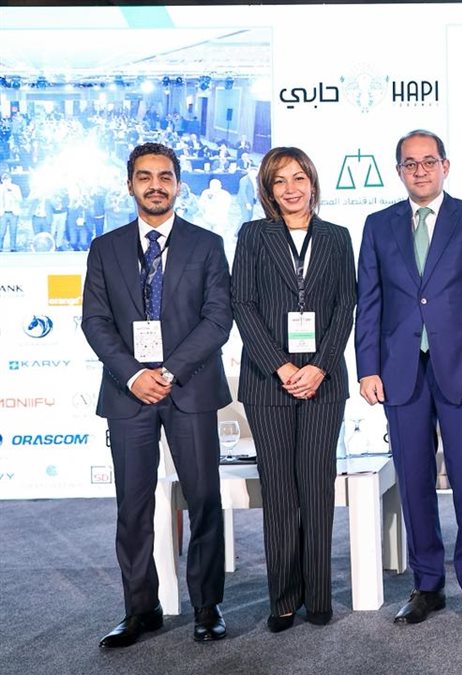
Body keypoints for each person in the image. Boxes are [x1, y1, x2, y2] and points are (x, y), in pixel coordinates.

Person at [355, 130, 462, 626]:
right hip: (401, 372)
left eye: (428, 161)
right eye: (410, 163)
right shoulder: (378, 225)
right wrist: (367, 367)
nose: (419, 171)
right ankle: (427, 584)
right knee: (414, 481)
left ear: (446, 166)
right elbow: (369, 301)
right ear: (398, 171)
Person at [81, 142, 233, 647]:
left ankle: (207, 606)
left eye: (165, 176)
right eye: (145, 177)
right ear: (130, 185)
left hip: (189, 386)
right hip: (128, 395)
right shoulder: (104, 249)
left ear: (178, 184)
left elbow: (218, 319)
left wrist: (168, 371)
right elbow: (95, 321)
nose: (155, 185)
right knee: (133, 505)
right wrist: (133, 375)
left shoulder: (207, 244)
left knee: (204, 499)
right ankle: (139, 609)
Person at [230, 147, 356, 632]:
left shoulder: (337, 237)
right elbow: (243, 304)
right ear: (268, 189)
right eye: (279, 180)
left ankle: (318, 595)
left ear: (313, 183)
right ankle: (283, 598)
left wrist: (320, 366)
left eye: (299, 178)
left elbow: (345, 306)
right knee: (280, 491)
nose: (291, 188)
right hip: (269, 383)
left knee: (318, 488)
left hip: (324, 382)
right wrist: (281, 366)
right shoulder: (253, 235)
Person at [0, 172, 22, 251]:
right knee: (1, 232)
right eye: (4, 179)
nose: (6, 181)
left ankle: (13, 247)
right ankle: (0, 247)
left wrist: (12, 192)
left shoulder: (15, 188)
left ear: (10, 179)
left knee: (13, 231)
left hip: (13, 213)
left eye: (7, 179)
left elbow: (20, 199)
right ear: (2, 180)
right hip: (3, 213)